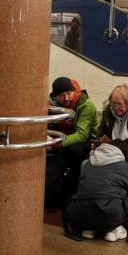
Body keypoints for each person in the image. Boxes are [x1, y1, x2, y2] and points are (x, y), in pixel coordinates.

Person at [63, 143, 128, 243]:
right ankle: (114, 228)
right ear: (120, 154)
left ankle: (90, 229)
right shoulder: (122, 166)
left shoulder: (87, 163)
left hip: (80, 215)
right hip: (109, 215)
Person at [45, 76, 98, 208]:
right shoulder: (50, 106)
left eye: (68, 93)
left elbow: (82, 134)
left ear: (74, 91)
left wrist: (58, 143)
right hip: (62, 142)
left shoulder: (85, 104)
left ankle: (74, 197)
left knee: (74, 151)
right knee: (53, 163)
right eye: (62, 95)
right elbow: (46, 127)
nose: (66, 98)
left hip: (87, 142)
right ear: (55, 97)